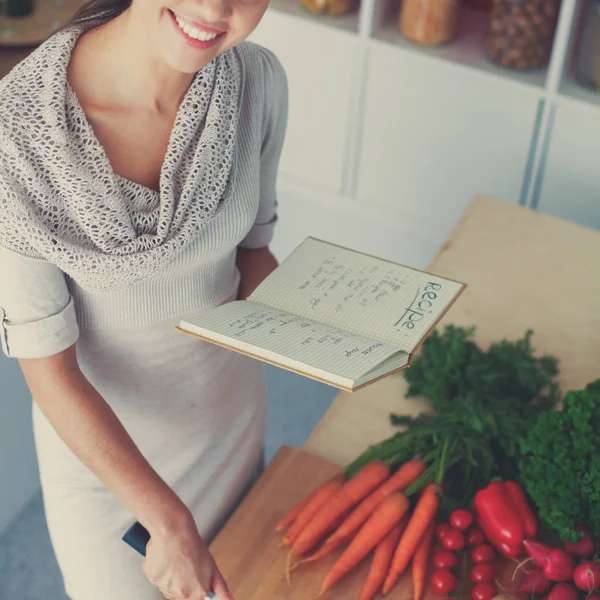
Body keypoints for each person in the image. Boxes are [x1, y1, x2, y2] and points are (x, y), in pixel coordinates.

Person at [0, 0, 288, 598]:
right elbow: (49, 370)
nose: (214, 8)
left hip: (229, 424)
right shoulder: (16, 138)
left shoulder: (257, 82)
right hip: (105, 466)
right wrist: (167, 518)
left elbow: (252, 255)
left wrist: (325, 333)